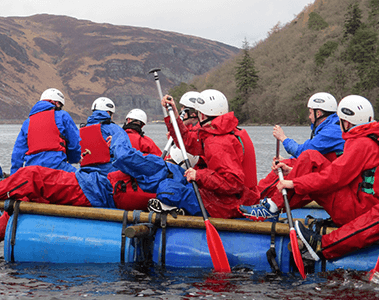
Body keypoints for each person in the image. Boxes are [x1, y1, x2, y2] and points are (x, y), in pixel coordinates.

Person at [0, 131, 199, 255]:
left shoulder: (159, 166)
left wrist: (118, 135)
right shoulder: (179, 183)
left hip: (92, 189)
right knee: (29, 196)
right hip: (98, 192)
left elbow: (124, 155)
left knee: (31, 175)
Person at [241, 95, 379, 262]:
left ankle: (272, 207)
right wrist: (293, 171)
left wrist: (294, 182)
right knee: (310, 158)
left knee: (308, 157)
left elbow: (335, 177)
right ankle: (272, 206)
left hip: (356, 213)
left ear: (347, 122)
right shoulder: (368, 140)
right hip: (359, 205)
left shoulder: (361, 144)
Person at [241, 92, 345, 219]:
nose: (309, 116)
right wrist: (289, 164)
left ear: (319, 113)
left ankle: (265, 204)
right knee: (288, 163)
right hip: (332, 177)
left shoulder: (331, 131)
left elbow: (304, 152)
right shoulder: (331, 127)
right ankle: (262, 201)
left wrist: (283, 138)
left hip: (335, 185)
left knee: (304, 158)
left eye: (311, 112)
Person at [162, 89, 259, 219]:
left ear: (202, 115)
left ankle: (172, 208)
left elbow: (233, 183)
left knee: (167, 188)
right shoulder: (224, 131)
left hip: (230, 204)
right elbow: (187, 141)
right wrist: (173, 115)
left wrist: (198, 175)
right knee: (176, 185)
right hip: (242, 199)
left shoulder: (218, 142)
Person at [10, 88, 81, 175]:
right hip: (58, 167)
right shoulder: (63, 115)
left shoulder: (28, 122)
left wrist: (15, 175)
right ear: (56, 103)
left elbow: (17, 152)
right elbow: (74, 143)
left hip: (32, 171)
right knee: (85, 181)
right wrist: (75, 159)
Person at [79, 97, 124, 174]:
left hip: (86, 173)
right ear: (108, 112)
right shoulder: (115, 129)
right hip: (109, 173)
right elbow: (126, 152)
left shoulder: (82, 130)